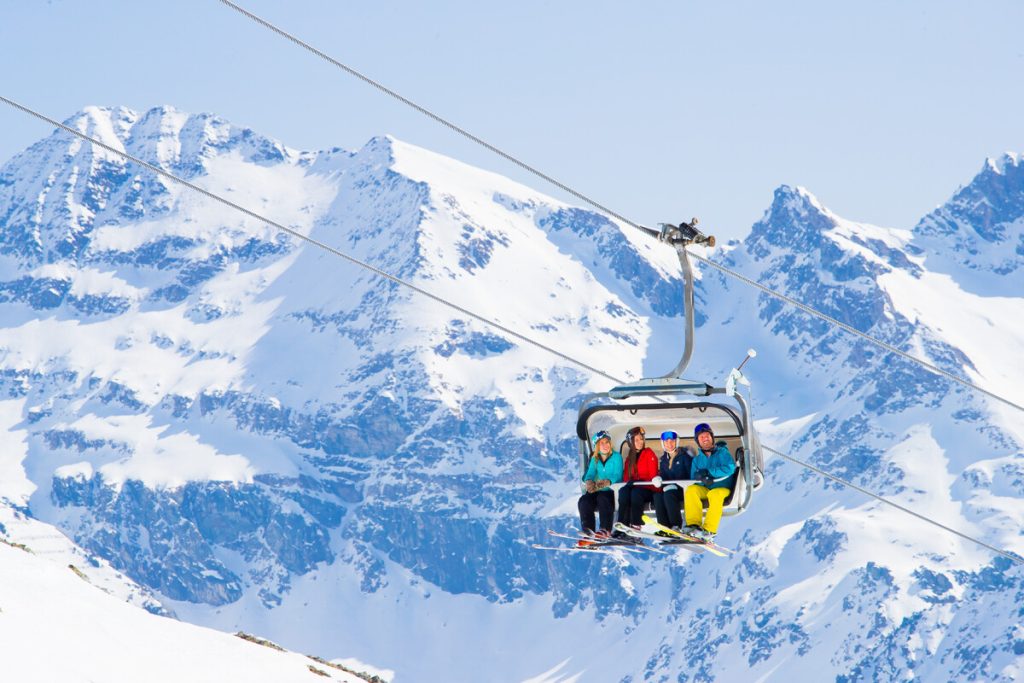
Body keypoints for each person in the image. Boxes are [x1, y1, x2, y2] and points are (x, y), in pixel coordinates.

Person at [682, 423, 737, 542]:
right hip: (706, 488)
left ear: (712, 437)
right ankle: (693, 525)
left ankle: (709, 530)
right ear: (698, 441)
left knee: (714, 494)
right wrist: (701, 479)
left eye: (707, 436)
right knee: (691, 490)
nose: (705, 439)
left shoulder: (722, 452)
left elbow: (730, 468)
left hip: (723, 488)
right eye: (701, 437)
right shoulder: (697, 460)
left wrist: (709, 473)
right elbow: (694, 480)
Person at [578, 430, 623, 543]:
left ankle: (605, 530)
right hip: (597, 489)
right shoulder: (595, 458)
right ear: (597, 446)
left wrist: (607, 482)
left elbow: (618, 475)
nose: (605, 445)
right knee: (584, 501)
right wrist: (588, 480)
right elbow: (591, 472)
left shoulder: (616, 457)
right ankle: (588, 531)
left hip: (611, 490)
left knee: (603, 498)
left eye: (607, 442)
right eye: (601, 443)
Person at [613, 426, 659, 534]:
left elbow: (653, 476)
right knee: (623, 492)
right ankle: (622, 525)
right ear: (630, 442)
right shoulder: (629, 459)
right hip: (635, 489)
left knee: (635, 493)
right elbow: (626, 479)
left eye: (641, 439)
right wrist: (630, 483)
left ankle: (636, 525)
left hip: (648, 489)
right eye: (636, 440)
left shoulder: (649, 453)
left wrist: (639, 482)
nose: (640, 442)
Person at [652, 431, 693, 532]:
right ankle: (664, 527)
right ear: (663, 444)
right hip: (670, 490)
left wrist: (676, 485)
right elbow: (664, 477)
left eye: (672, 441)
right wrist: (659, 479)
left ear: (676, 442)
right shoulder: (663, 460)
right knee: (657, 496)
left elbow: (691, 476)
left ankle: (676, 526)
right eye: (666, 442)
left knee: (669, 494)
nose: (669, 444)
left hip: (684, 490)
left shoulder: (684, 457)